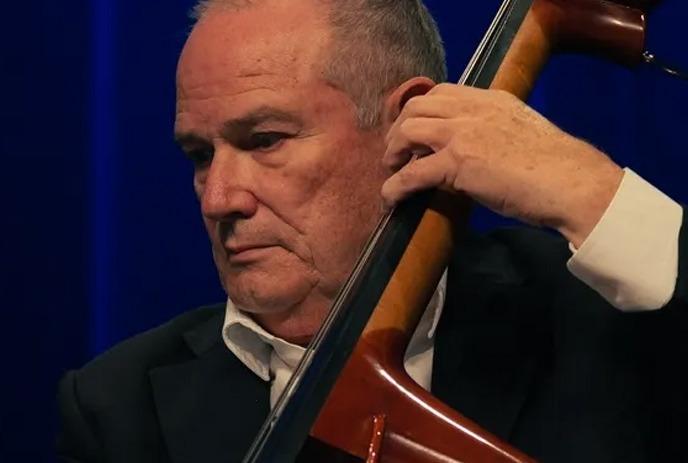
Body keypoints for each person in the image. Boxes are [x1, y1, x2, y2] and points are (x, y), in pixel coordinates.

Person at [57, 0, 687, 462]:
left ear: (408, 127)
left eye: (265, 140)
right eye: (200, 155)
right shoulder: (118, 406)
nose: (219, 198)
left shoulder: (596, 317)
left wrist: (591, 192)